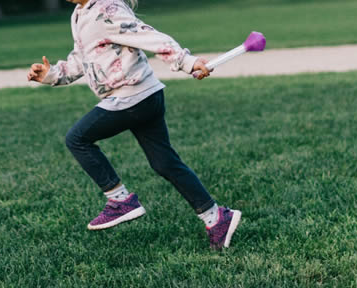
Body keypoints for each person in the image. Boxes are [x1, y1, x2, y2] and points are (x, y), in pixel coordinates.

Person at [27, 0, 241, 249]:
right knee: (165, 163)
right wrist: (51, 74)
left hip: (132, 96)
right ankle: (216, 219)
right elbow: (80, 59)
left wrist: (188, 62)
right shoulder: (80, 14)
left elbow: (147, 36)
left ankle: (120, 201)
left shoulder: (107, 9)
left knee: (77, 138)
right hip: (145, 96)